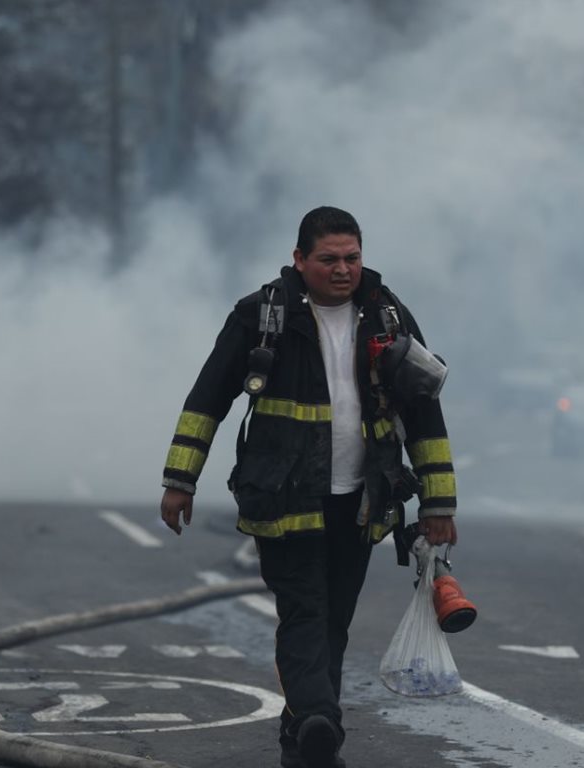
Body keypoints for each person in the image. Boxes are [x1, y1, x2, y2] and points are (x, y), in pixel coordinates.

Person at [159, 206, 458, 768]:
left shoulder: (389, 317)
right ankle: (321, 720)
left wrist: (438, 503)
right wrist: (180, 480)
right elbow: (206, 400)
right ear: (299, 259)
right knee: (304, 612)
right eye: (329, 259)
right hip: (284, 499)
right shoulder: (260, 316)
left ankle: (301, 741)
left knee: (333, 622)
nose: (343, 269)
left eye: (352, 258)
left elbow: (424, 415)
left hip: (362, 501)